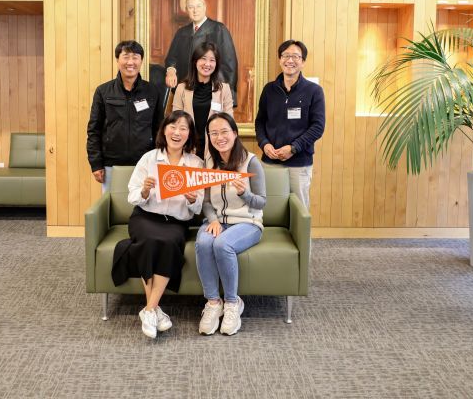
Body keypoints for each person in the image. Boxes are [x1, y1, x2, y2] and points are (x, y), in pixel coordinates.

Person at [111, 111, 204, 339]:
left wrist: (193, 199)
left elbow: (199, 207)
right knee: (151, 239)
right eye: (173, 126)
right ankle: (153, 310)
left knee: (167, 241)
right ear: (164, 130)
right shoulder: (149, 159)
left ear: (189, 134)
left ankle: (150, 309)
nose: (177, 132)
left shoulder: (196, 163)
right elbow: (132, 195)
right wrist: (144, 190)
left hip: (175, 223)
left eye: (184, 128)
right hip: (145, 216)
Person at [195, 113, 266, 336]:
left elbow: (262, 202)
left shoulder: (251, 161)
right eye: (213, 133)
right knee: (204, 242)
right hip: (218, 221)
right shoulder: (208, 162)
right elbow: (206, 202)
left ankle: (233, 304)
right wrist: (213, 220)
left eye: (224, 131)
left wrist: (244, 193)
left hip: (248, 222)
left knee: (221, 245)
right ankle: (213, 303)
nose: (219, 137)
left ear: (235, 133)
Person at [255, 40, 325, 208]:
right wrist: (264, 145)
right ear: (280, 59)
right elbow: (260, 122)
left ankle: (302, 236)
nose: (290, 60)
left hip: (299, 163)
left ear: (303, 62)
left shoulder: (314, 91)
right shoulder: (269, 90)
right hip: (270, 161)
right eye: (286, 55)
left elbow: (317, 127)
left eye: (295, 56)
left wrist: (293, 148)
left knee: (299, 209)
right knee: (270, 208)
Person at [87, 40, 163, 193]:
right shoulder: (103, 91)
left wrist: (159, 161)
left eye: (135, 57)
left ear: (141, 61)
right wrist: (96, 164)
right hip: (111, 165)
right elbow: (94, 130)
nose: (130, 62)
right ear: (117, 60)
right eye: (126, 57)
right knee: (112, 208)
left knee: (143, 209)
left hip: (145, 163)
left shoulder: (152, 91)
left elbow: (159, 128)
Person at [164, 0, 239, 106]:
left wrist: (227, 94)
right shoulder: (182, 32)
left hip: (213, 91)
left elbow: (230, 64)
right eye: (191, 7)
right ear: (186, 10)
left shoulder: (219, 29)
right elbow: (172, 57)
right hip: (186, 90)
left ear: (204, 7)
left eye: (198, 6)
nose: (195, 10)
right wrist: (171, 70)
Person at [172, 41, 234, 158]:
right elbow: (176, 121)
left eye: (212, 60)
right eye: (203, 59)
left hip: (215, 148)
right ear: (195, 61)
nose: (207, 64)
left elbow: (229, 122)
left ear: (216, 64)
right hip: (188, 147)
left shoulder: (224, 89)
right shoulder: (181, 88)